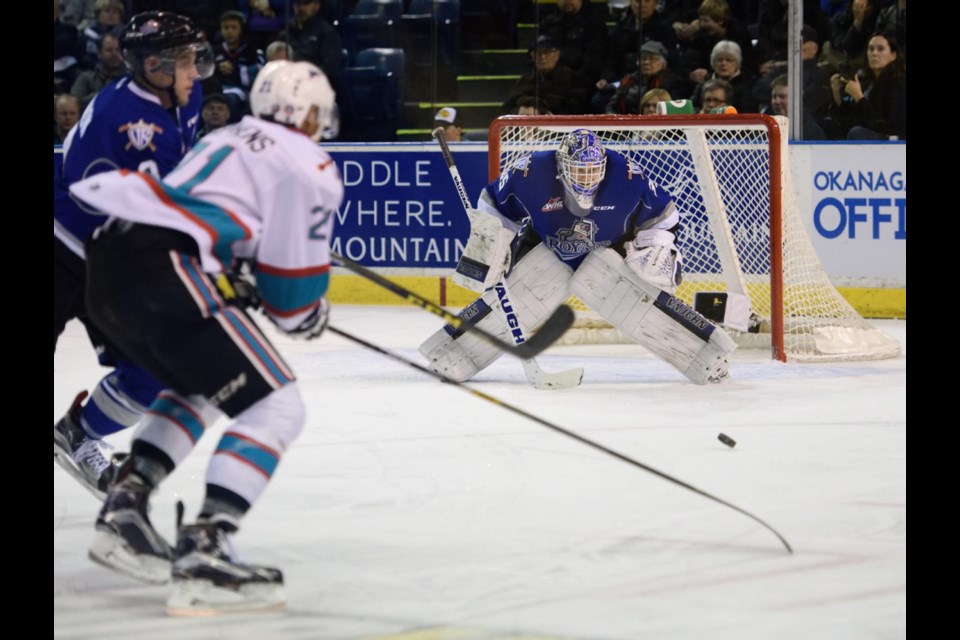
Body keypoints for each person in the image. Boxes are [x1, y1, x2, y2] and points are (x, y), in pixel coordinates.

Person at [70, 59, 342, 616]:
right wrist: (308, 313)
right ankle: (206, 546)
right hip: (169, 268)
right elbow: (290, 301)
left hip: (110, 265)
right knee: (278, 408)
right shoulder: (308, 164)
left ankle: (126, 509)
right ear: (309, 113)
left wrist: (240, 275)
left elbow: (219, 228)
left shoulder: (230, 134)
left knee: (199, 387)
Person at [419, 129, 735, 386]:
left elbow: (664, 214)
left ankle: (710, 357)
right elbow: (494, 201)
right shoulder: (531, 171)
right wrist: (490, 241)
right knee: (514, 300)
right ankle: (448, 355)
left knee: (640, 296)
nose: (586, 178)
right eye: (578, 170)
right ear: (560, 164)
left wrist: (656, 245)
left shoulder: (627, 176)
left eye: (592, 170)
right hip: (546, 244)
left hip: (609, 248)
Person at [53, 11, 212, 499]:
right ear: (153, 66)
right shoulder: (116, 117)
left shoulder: (186, 96)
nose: (195, 71)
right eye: (184, 61)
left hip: (114, 262)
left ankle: (76, 434)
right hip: (62, 249)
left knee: (156, 370)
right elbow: (130, 205)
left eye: (194, 59)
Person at [827, 30, 906, 140]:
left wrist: (859, 97)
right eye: (871, 49)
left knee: (857, 133)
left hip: (893, 142)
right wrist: (837, 94)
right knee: (829, 126)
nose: (874, 53)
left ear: (893, 55)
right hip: (869, 135)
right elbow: (849, 121)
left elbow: (886, 126)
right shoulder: (867, 81)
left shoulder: (898, 83)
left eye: (880, 49)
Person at [502, 35, 590, 115]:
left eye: (547, 52)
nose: (542, 57)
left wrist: (543, 111)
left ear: (557, 55)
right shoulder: (526, 79)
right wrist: (521, 110)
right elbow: (507, 108)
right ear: (532, 57)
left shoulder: (571, 78)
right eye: (538, 53)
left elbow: (577, 108)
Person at [604, 40, 690, 115]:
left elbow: (677, 110)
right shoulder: (629, 81)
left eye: (652, 59)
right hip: (626, 126)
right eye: (643, 58)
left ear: (663, 63)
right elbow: (612, 105)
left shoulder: (672, 82)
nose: (646, 62)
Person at [690, 39, 757, 113]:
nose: (723, 63)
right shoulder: (703, 84)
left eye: (729, 60)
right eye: (719, 60)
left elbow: (748, 112)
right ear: (713, 63)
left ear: (737, 63)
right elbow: (692, 108)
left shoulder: (748, 85)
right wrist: (700, 112)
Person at [70, 32, 126, 113]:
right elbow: (73, 104)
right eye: (109, 50)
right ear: (99, 53)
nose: (114, 54)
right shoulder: (86, 78)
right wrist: (103, 95)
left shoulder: (131, 79)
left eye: (118, 50)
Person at [763, 74, 826, 140]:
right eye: (774, 97)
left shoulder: (811, 131)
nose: (777, 101)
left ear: (796, 99)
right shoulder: (764, 126)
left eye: (782, 97)